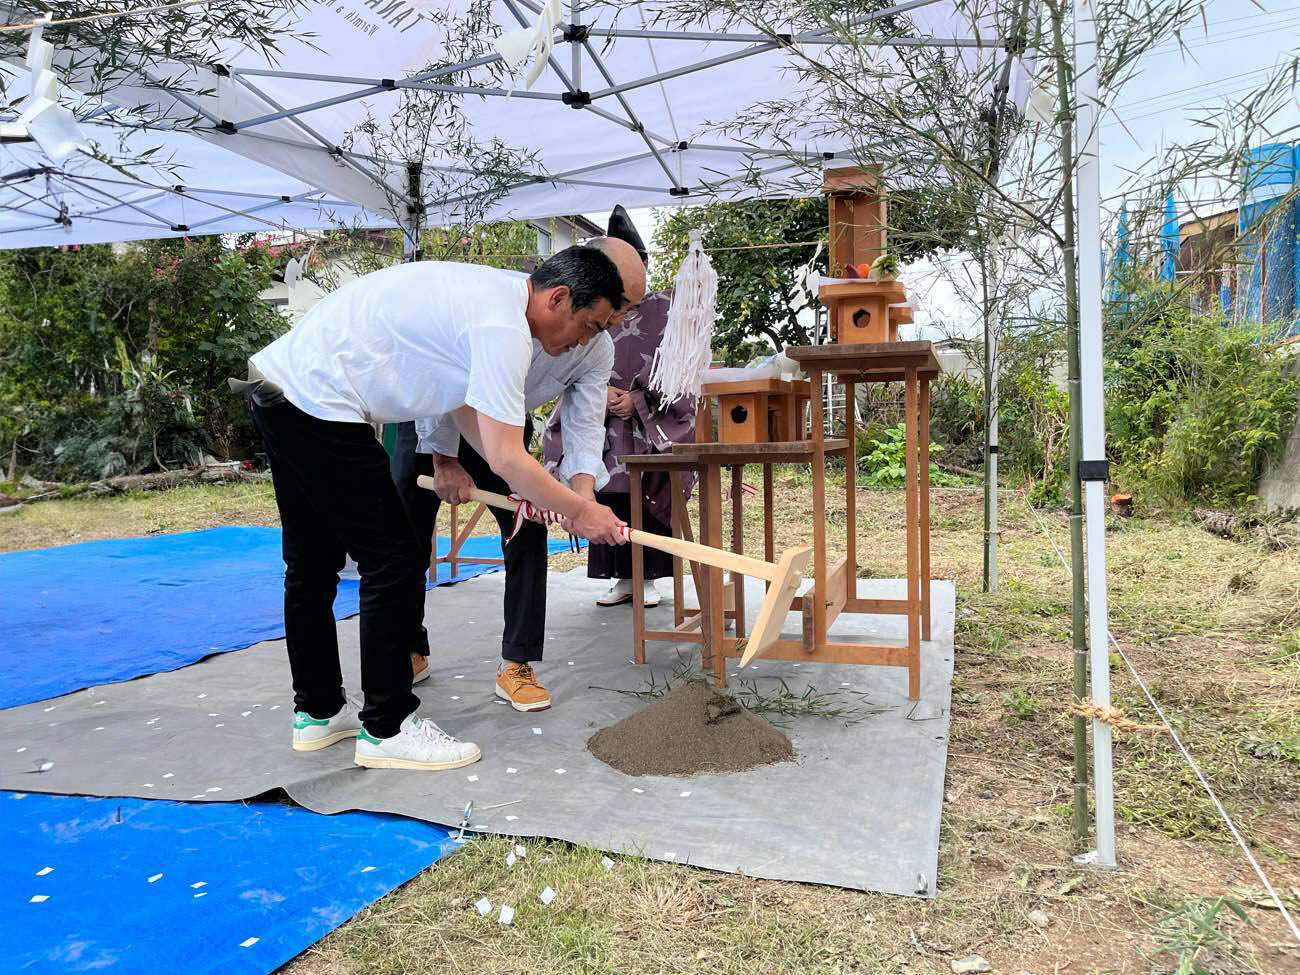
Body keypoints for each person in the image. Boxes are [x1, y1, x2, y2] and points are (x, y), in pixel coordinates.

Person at [235, 243, 642, 772]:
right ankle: (387, 727)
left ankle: (318, 713)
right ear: (559, 299)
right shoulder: (504, 328)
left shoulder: (493, 297)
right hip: (320, 401)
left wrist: (540, 494)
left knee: (311, 563)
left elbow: (475, 419)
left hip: (281, 387)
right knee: (395, 556)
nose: (585, 342)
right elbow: (505, 452)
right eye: (589, 325)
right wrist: (580, 511)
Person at [392, 236, 641, 713]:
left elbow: (585, 424)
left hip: (503, 423)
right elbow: (441, 382)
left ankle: (518, 663)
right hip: (432, 412)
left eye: (626, 309)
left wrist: (581, 498)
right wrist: (443, 459)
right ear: (576, 287)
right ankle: (408, 645)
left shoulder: (596, 347)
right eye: (618, 306)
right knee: (406, 539)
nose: (619, 319)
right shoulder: (501, 314)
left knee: (526, 530)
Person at [543, 212, 695, 607]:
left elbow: (678, 367)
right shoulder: (586, 302)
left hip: (648, 422)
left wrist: (640, 399)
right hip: (600, 420)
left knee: (646, 496)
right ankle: (621, 577)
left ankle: (648, 579)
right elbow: (572, 362)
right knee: (601, 490)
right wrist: (601, 394)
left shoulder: (667, 309)